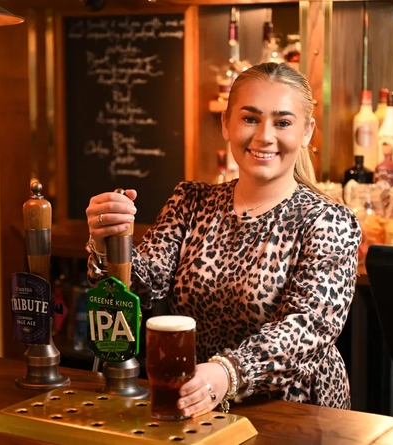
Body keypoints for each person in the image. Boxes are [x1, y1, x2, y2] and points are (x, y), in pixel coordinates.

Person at [85, 62, 361, 417]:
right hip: (198, 399)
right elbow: (139, 291)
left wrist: (227, 373)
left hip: (295, 410)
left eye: (282, 122)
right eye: (250, 119)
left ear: (307, 132)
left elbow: (307, 328)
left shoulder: (329, 221)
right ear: (225, 124)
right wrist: (106, 239)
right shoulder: (191, 202)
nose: (264, 136)